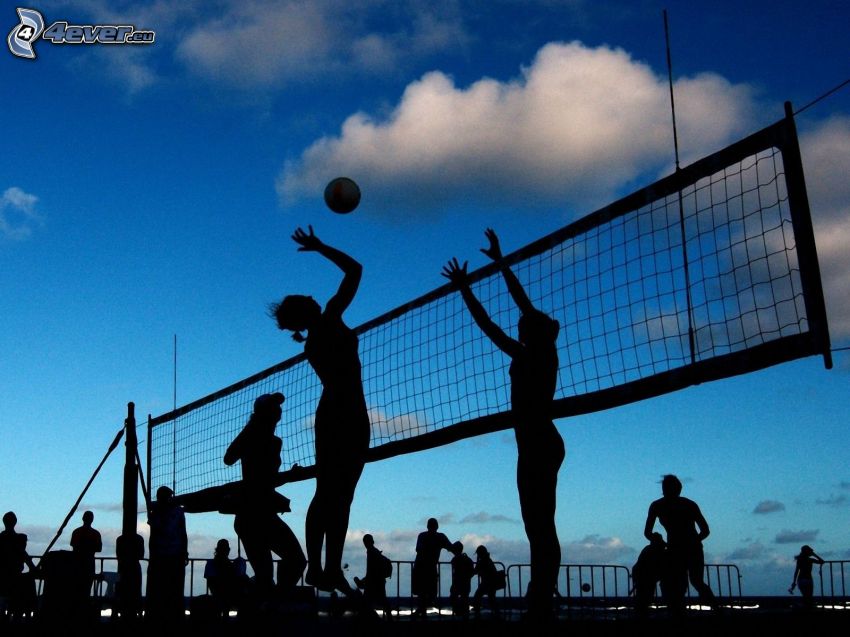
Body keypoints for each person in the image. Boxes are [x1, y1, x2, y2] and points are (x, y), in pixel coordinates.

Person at [442, 228, 565, 619]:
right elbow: (520, 301)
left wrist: (465, 288)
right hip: (536, 442)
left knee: (541, 526)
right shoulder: (538, 348)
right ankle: (541, 591)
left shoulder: (534, 353)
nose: (519, 324)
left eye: (524, 324)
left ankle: (543, 594)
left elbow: (491, 324)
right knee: (539, 526)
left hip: (540, 442)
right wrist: (498, 260)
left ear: (533, 332)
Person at [270, 226, 370, 596]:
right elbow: (355, 270)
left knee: (331, 493)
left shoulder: (315, 338)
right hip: (346, 413)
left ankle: (323, 567)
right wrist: (321, 247)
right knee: (336, 493)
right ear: (307, 309)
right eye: (306, 297)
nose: (314, 294)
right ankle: (322, 567)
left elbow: (354, 273)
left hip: (335, 413)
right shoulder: (328, 319)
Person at [224, 392, 307, 602]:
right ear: (264, 413)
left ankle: (269, 603)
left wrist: (288, 476)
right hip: (253, 515)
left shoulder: (274, 441)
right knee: (272, 573)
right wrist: (251, 427)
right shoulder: (255, 436)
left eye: (278, 407)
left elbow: (266, 478)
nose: (279, 410)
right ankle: (265, 606)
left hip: (261, 514)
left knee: (292, 563)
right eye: (273, 406)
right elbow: (230, 458)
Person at [643, 474, 716, 615]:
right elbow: (647, 532)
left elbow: (705, 530)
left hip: (690, 549)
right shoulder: (659, 506)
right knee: (681, 583)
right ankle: (680, 612)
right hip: (676, 549)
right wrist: (659, 541)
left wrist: (693, 542)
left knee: (695, 581)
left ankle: (716, 611)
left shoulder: (687, 505)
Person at [146, 485, 188, 624]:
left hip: (163, 555)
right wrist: (184, 552)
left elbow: (182, 533)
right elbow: (183, 533)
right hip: (170, 555)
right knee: (172, 589)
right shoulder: (175, 512)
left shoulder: (156, 512)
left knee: (162, 589)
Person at [0, 511, 38, 620]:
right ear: (15, 522)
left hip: (3, 578)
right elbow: (24, 556)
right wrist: (33, 568)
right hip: (15, 579)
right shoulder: (19, 540)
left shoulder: (2, 539)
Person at [411, 518, 452, 616]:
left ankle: (422, 609)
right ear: (437, 526)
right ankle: (423, 609)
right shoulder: (440, 537)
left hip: (421, 567)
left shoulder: (423, 536)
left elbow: (418, 549)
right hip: (427, 567)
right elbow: (451, 548)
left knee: (423, 592)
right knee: (428, 591)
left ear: (427, 526)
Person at [203, 539, 249, 617]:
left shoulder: (212, 564)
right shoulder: (229, 565)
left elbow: (210, 583)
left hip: (224, 593)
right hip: (225, 594)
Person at [352, 534, 393, 618]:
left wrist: (364, 581)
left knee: (367, 601)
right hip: (378, 580)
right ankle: (387, 618)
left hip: (374, 581)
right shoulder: (374, 551)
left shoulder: (371, 552)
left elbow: (371, 570)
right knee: (381, 600)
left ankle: (366, 618)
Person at [631, 531, 668, 618]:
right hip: (645, 577)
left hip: (643, 576)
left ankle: (641, 615)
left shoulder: (648, 549)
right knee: (645, 597)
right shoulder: (654, 550)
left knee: (643, 598)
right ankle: (642, 615)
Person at [70, 510, 102, 602]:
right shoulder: (95, 533)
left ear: (83, 518)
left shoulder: (76, 532)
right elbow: (99, 548)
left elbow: (73, 544)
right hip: (89, 563)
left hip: (77, 563)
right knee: (86, 588)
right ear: (92, 520)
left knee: (76, 588)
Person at [789, 544, 824, 609]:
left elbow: (796, 571)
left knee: (806, 596)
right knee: (809, 597)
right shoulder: (810, 560)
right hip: (808, 580)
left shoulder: (800, 560)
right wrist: (814, 555)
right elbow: (822, 561)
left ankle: (804, 608)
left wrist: (794, 582)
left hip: (801, 579)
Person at [472, 545, 503, 616]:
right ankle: (497, 612)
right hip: (492, 582)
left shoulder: (483, 561)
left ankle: (477, 612)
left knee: (477, 597)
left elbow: (475, 571)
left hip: (487, 583)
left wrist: (477, 561)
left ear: (480, 553)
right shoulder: (488, 560)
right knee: (491, 599)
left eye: (478, 554)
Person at [449, 541, 475, 617]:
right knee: (465, 599)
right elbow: (472, 572)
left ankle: (458, 612)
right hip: (466, 582)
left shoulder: (455, 559)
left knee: (454, 597)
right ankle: (463, 613)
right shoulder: (468, 559)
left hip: (457, 582)